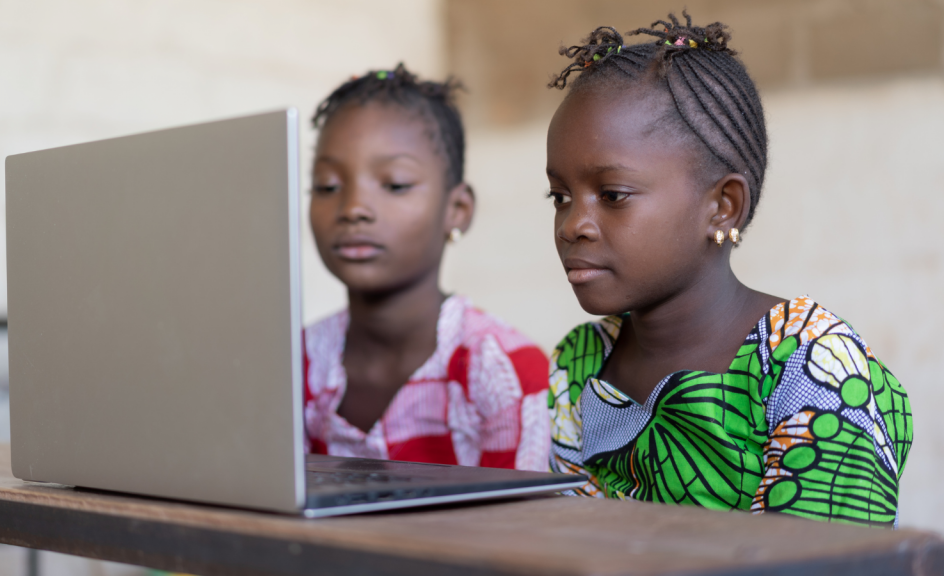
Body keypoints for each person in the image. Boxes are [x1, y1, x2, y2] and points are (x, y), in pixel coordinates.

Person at [544, 13, 912, 526]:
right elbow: (554, 543)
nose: (572, 225)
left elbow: (818, 561)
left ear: (722, 207)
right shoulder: (578, 364)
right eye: (560, 196)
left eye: (612, 195)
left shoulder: (808, 362)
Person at [303, 64, 550, 471]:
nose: (354, 209)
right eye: (328, 185)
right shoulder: (297, 366)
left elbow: (516, 532)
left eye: (395, 184)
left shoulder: (505, 374)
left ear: (457, 210)